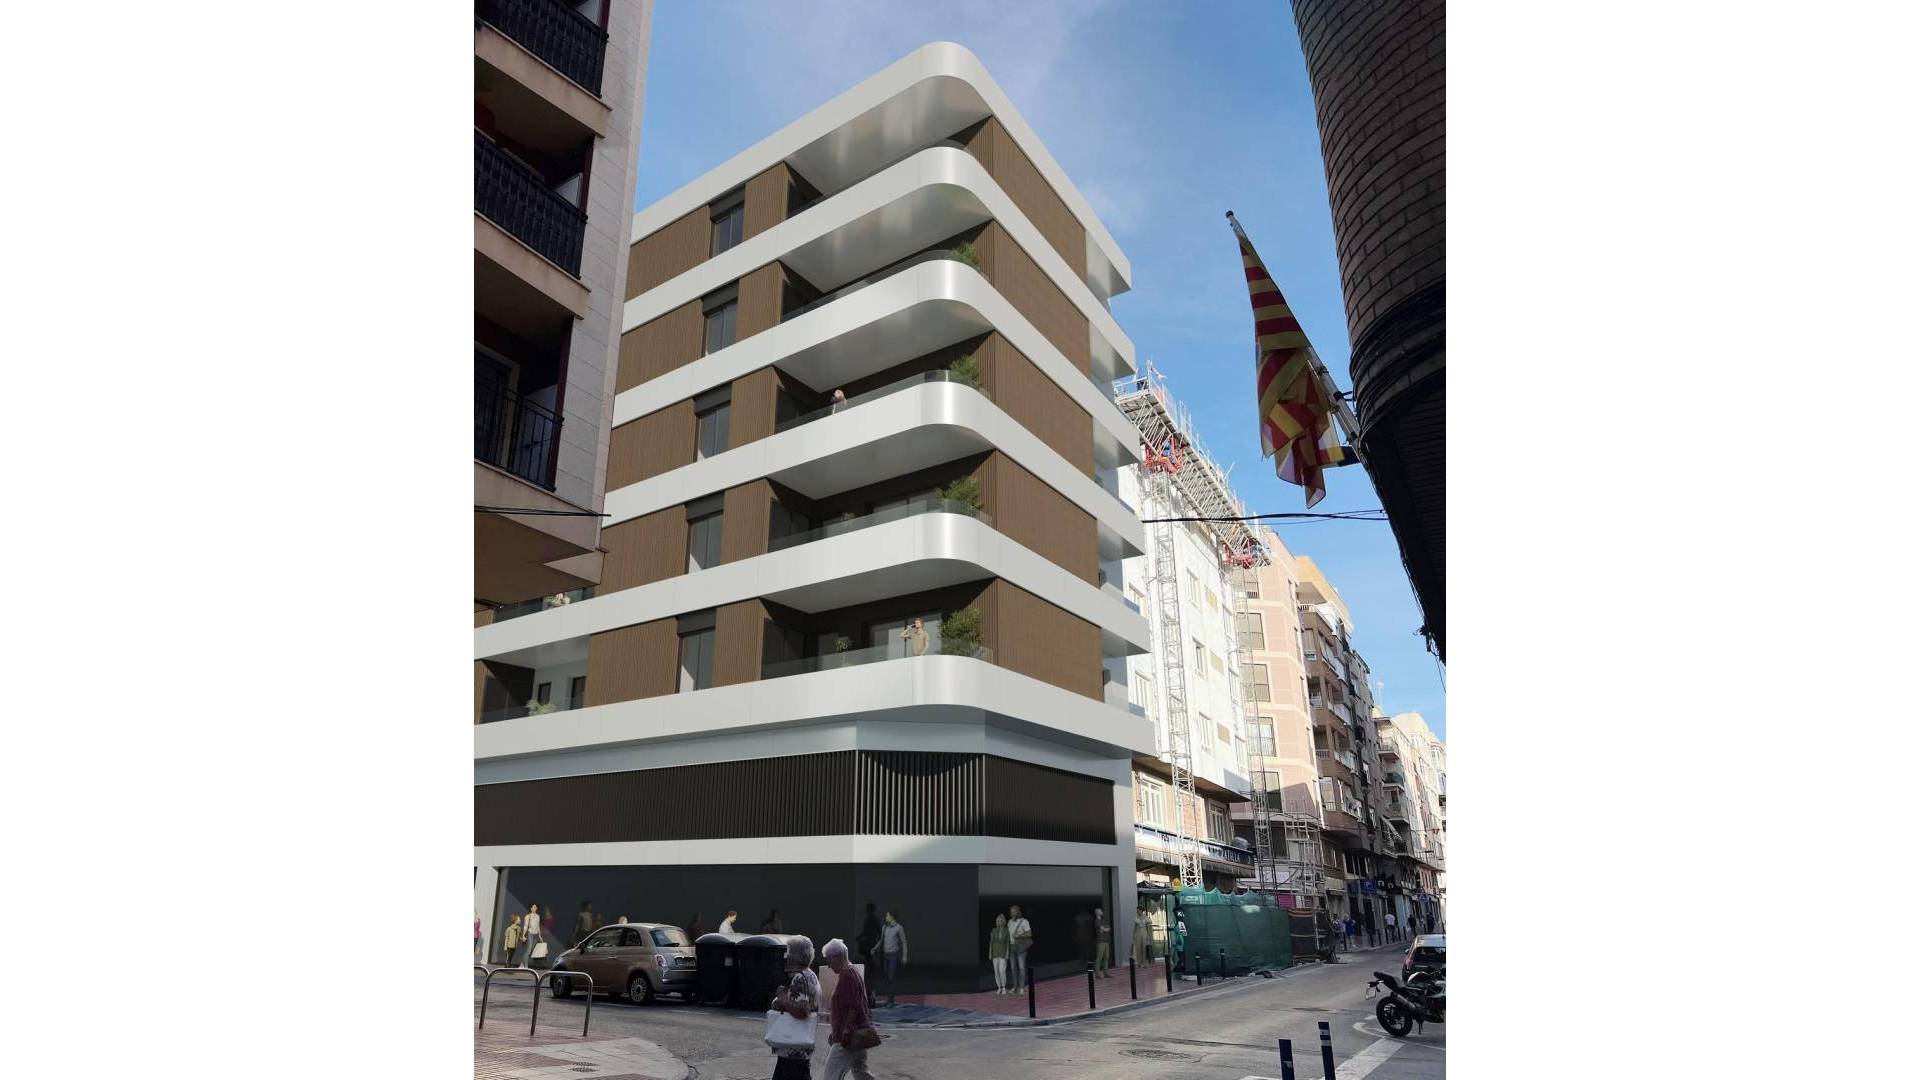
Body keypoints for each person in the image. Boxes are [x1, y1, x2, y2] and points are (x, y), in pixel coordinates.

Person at [820, 938, 876, 1080]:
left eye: (829, 960)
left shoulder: (847, 975)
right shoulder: (853, 972)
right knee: (860, 1072)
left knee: (831, 1075)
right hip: (857, 1034)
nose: (828, 965)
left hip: (847, 1037)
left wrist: (844, 1031)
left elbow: (852, 1006)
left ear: (838, 957)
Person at [768, 936, 821, 1080]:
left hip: (793, 1046)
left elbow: (803, 1010)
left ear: (795, 955)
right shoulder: (811, 975)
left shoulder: (800, 978)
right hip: (801, 1044)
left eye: (789, 952)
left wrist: (782, 999)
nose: (786, 956)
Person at [879, 911, 908, 1007]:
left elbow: (904, 942)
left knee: (891, 976)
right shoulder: (885, 927)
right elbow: (881, 940)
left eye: (887, 916)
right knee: (887, 977)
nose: (886, 917)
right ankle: (889, 997)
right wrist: (875, 948)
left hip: (893, 955)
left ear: (892, 917)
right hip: (885, 955)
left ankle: (891, 999)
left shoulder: (899, 928)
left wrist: (904, 956)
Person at [856, 903, 882, 1005]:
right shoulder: (873, 920)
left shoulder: (871, 920)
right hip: (871, 944)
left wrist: (859, 938)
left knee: (870, 968)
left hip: (870, 944)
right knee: (870, 966)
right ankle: (870, 991)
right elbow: (878, 933)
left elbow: (867, 932)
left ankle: (870, 991)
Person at [1007, 905, 1033, 993]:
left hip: (1020, 946)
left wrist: (1019, 935)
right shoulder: (1009, 922)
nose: (1013, 913)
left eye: (1014, 912)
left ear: (1018, 912)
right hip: (1011, 946)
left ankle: (1021, 987)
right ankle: (1015, 986)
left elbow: (1029, 934)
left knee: (1021, 967)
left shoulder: (1024, 921)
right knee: (1013, 968)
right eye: (1011, 912)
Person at [987, 913, 1011, 994]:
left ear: (1003, 921)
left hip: (1003, 954)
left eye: (1000, 921)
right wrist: (990, 953)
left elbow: (1008, 943)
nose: (999, 922)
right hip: (995, 953)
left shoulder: (1006, 931)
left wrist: (1007, 953)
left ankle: (1004, 987)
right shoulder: (994, 930)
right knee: (996, 971)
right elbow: (991, 943)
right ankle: (999, 987)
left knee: (1002, 971)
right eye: (998, 921)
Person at [1072, 907, 1094, 972]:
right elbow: (1074, 927)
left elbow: (1091, 928)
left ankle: (1089, 966)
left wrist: (1091, 936)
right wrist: (1075, 936)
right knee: (1081, 950)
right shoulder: (1077, 917)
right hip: (1080, 935)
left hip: (1087, 936)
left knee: (1088, 950)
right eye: (1081, 909)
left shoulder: (1089, 917)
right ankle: (1082, 963)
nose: (1082, 910)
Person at [1094, 907, 1112, 977]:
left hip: (1106, 941)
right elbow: (1104, 929)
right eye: (1100, 911)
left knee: (1106, 958)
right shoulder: (1097, 921)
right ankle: (1097, 973)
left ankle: (1106, 973)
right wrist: (1104, 929)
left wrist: (1104, 929)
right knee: (1099, 958)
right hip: (1100, 942)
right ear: (1097, 912)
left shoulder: (1103, 921)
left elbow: (1108, 928)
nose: (1102, 912)